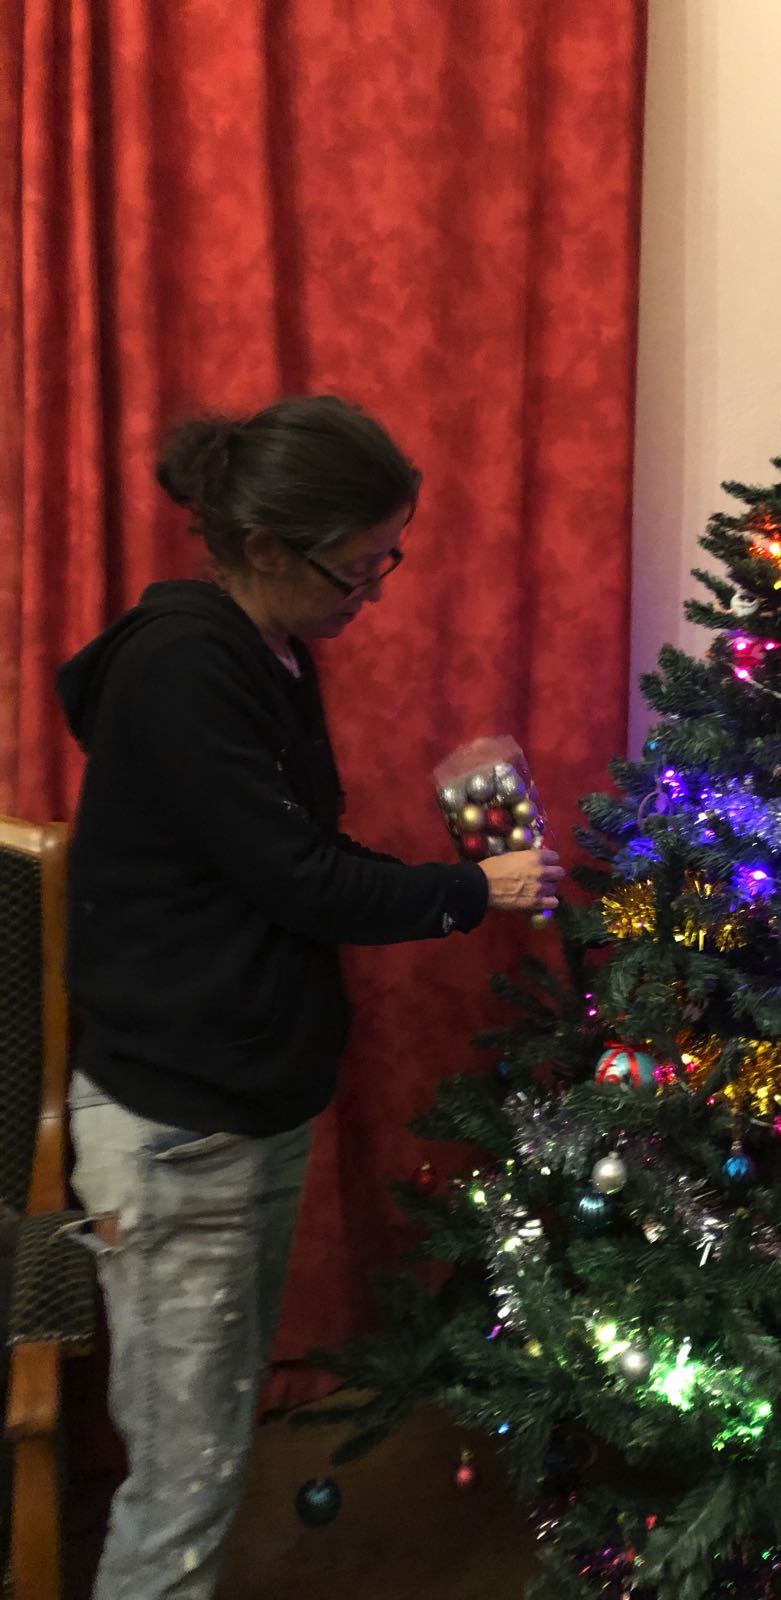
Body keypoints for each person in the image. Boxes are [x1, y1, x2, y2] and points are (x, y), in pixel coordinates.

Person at [56, 395, 564, 1600]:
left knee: (211, 1446)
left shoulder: (270, 650)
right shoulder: (186, 668)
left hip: (243, 1107)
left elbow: (292, 850)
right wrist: (469, 890)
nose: (373, 591)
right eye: (358, 565)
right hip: (181, 1128)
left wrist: (448, 878)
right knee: (181, 1485)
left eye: (390, 557)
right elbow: (297, 877)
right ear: (266, 547)